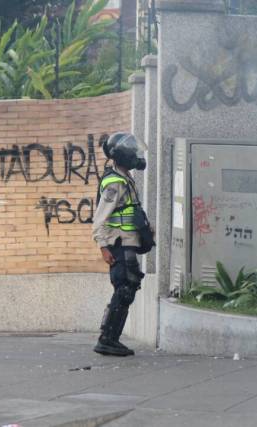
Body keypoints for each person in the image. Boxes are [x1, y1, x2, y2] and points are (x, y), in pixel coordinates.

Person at [92, 132, 149, 357]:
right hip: (119, 244)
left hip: (128, 243)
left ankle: (111, 338)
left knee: (128, 289)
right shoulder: (115, 183)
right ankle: (107, 339)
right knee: (124, 290)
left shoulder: (124, 177)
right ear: (123, 155)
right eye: (133, 152)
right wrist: (103, 247)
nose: (137, 156)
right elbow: (99, 218)